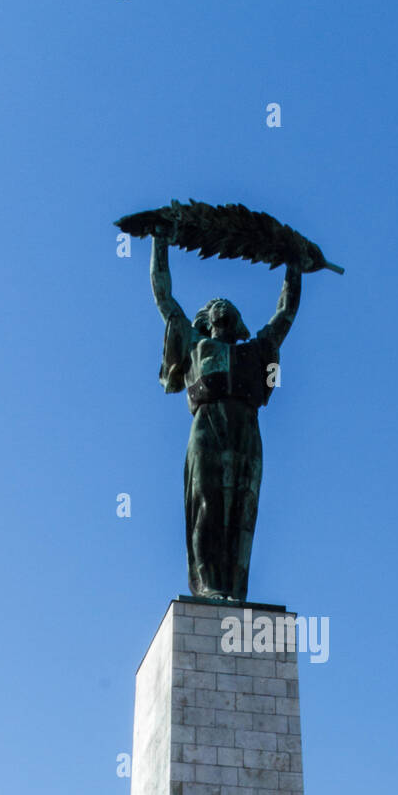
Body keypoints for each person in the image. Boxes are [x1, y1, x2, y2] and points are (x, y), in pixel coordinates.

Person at [150, 231, 301, 601]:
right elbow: (164, 297)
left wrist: (295, 264)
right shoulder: (196, 343)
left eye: (227, 303)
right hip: (207, 426)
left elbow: (285, 313)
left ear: (236, 320)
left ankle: (233, 587)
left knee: (240, 510)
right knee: (208, 501)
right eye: (215, 302)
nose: (222, 304)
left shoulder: (255, 351)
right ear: (207, 317)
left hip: (245, 429)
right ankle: (208, 584)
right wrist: (160, 239)